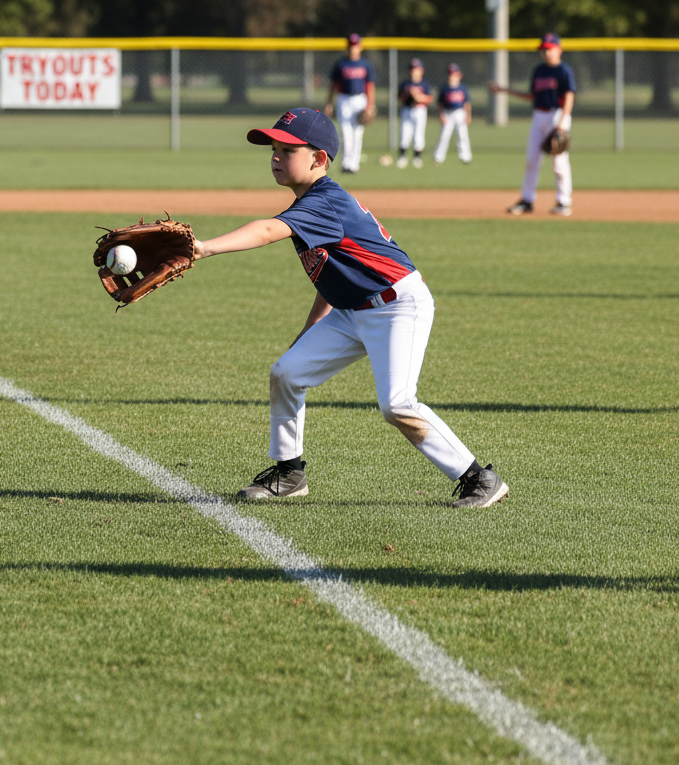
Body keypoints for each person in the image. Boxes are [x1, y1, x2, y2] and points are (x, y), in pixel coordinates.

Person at [193, 107, 509, 509]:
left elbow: (269, 230)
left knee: (397, 403)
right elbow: (334, 279)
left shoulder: (324, 202)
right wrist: (307, 334)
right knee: (287, 373)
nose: (275, 155)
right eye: (273, 147)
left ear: (318, 158)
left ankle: (479, 478)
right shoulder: (312, 205)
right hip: (354, 310)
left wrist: (203, 248)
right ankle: (289, 474)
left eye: (287, 149)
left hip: (397, 306)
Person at [490, 33, 575, 216]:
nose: (545, 52)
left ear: (558, 49)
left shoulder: (563, 71)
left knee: (559, 162)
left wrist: (561, 124)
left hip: (557, 114)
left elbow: (569, 96)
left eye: (548, 48)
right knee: (531, 160)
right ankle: (527, 200)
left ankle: (563, 201)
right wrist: (504, 90)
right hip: (539, 116)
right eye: (543, 49)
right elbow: (532, 96)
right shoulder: (539, 71)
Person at [325, 34, 376, 174]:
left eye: (355, 45)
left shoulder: (365, 64)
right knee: (345, 132)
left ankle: (354, 164)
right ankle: (346, 164)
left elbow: (370, 86)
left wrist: (370, 104)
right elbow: (333, 85)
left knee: (357, 133)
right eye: (351, 45)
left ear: (360, 47)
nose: (353, 48)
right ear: (348, 47)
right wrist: (329, 102)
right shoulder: (341, 64)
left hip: (360, 99)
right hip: (344, 99)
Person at [397, 57, 434, 168]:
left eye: (416, 69)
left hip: (420, 109)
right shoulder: (405, 84)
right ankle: (402, 156)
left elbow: (430, 98)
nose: (414, 71)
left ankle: (417, 157)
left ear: (421, 70)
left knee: (419, 134)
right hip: (407, 109)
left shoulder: (424, 84)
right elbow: (399, 97)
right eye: (412, 69)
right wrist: (409, 94)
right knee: (405, 133)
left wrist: (419, 97)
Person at [433, 62, 473, 164]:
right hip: (448, 113)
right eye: (450, 74)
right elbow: (440, 104)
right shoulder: (444, 88)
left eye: (454, 74)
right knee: (444, 135)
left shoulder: (462, 88)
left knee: (462, 135)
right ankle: (439, 156)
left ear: (459, 75)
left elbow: (467, 104)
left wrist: (468, 115)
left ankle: (466, 156)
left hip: (460, 112)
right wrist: (441, 115)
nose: (452, 76)